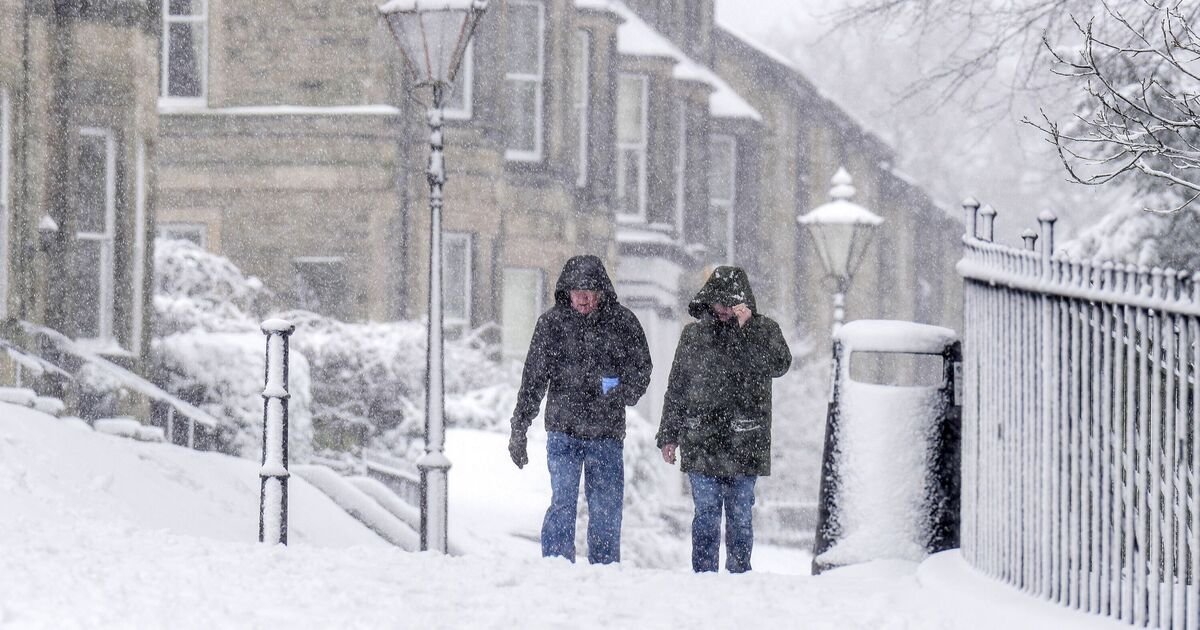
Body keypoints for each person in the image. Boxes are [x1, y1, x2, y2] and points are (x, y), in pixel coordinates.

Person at [508, 254, 652, 564]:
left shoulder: (623, 323)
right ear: (566, 292)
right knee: (562, 502)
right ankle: (557, 566)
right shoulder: (551, 324)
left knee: (605, 507)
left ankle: (603, 569)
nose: (582, 298)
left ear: (601, 292)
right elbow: (533, 378)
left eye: (588, 291)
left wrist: (620, 393)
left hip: (606, 432)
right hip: (564, 429)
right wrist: (519, 427)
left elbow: (642, 369)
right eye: (576, 291)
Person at [655, 266, 791, 573]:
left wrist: (749, 329)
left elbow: (779, 364)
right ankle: (704, 575)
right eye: (719, 302)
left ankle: (739, 574)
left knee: (740, 514)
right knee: (706, 513)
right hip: (701, 439)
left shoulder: (764, 330)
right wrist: (669, 434)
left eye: (730, 303)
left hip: (745, 441)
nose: (724, 309)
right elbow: (677, 385)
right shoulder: (693, 335)